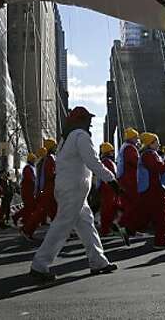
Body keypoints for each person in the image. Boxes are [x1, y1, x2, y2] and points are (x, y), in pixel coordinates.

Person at [28, 106, 122, 283]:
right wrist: (111, 180)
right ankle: (39, 265)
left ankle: (98, 261)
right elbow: (92, 161)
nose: (90, 123)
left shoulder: (67, 138)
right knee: (62, 226)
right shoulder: (81, 136)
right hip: (74, 189)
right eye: (88, 119)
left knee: (86, 224)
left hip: (70, 188)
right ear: (81, 121)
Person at [123, 132, 165, 249]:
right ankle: (160, 241)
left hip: (149, 189)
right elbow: (156, 167)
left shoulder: (149, 154)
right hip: (154, 189)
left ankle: (128, 229)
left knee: (145, 214)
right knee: (161, 215)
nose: (159, 144)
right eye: (156, 142)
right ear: (150, 143)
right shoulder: (149, 155)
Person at [22, 138, 58, 239]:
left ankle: (62, 231)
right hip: (48, 190)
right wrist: (58, 175)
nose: (56, 147)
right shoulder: (49, 159)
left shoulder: (47, 159)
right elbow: (49, 175)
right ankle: (27, 229)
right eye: (54, 146)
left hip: (48, 189)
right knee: (41, 211)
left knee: (55, 212)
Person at [115, 128, 141, 230]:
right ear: (132, 138)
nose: (137, 139)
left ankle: (125, 226)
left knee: (128, 203)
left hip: (124, 179)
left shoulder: (124, 147)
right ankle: (127, 226)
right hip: (129, 179)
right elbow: (135, 162)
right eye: (136, 137)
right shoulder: (130, 148)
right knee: (134, 204)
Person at [97, 142, 119, 236]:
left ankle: (107, 228)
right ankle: (105, 230)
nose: (113, 153)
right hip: (108, 189)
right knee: (107, 209)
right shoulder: (107, 162)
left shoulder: (105, 162)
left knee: (109, 209)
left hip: (108, 188)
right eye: (112, 151)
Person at [12, 152, 37, 226]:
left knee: (29, 206)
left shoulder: (32, 168)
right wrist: (35, 181)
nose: (34, 161)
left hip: (30, 190)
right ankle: (19, 218)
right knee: (29, 206)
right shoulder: (27, 168)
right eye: (33, 159)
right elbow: (29, 179)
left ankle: (23, 219)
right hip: (27, 190)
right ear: (30, 160)